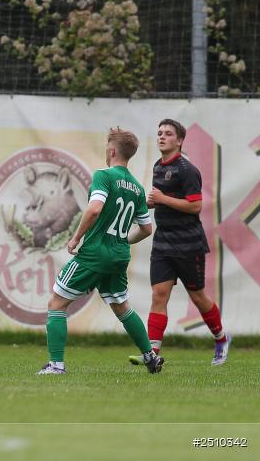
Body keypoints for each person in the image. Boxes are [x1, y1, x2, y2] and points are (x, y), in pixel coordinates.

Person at [38, 127, 163, 375]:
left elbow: (94, 209)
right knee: (121, 307)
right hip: (118, 256)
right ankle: (150, 356)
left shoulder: (104, 176)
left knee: (56, 302)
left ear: (111, 150)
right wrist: (123, 242)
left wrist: (76, 237)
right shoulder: (137, 188)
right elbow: (147, 229)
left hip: (95, 254)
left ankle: (56, 365)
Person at [128, 119, 230, 367]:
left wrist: (162, 198)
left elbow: (195, 205)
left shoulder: (187, 169)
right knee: (159, 295)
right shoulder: (157, 167)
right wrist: (149, 203)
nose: (162, 136)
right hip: (163, 241)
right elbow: (162, 199)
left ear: (180, 140)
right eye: (159, 133)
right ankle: (153, 355)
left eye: (168, 133)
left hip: (188, 244)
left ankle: (221, 338)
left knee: (198, 297)